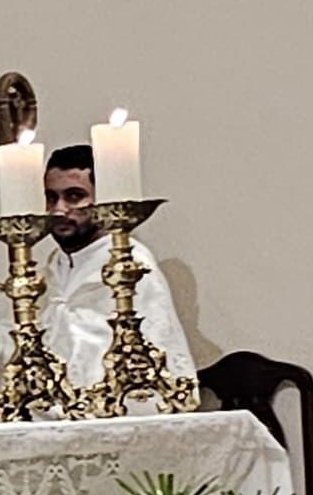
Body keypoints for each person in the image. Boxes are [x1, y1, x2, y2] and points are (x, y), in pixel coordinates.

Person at [33, 139, 194, 385]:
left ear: (102, 201)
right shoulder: (50, 270)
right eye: (51, 198)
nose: (59, 210)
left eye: (74, 196)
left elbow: (157, 348)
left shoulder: (131, 264)